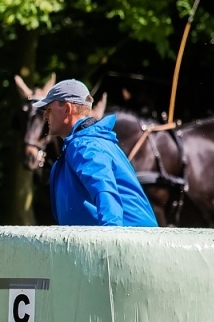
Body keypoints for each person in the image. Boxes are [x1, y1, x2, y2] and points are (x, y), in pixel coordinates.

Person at [37, 80, 158, 227]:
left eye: (49, 109)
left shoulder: (84, 145)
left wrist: (109, 238)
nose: (45, 116)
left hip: (128, 244)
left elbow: (104, 189)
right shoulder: (89, 143)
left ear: (67, 109)